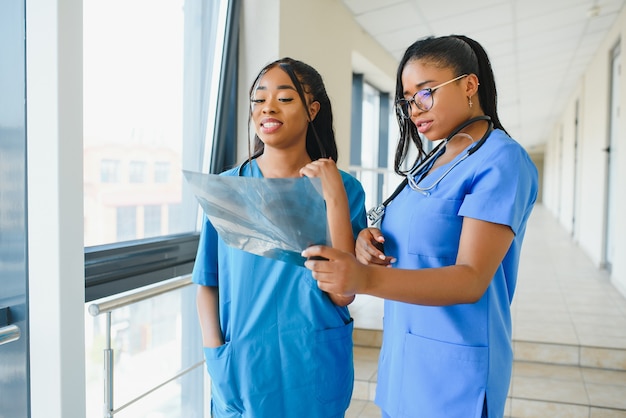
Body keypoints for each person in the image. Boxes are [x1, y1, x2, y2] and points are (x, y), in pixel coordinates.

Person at [302, 35, 538, 418]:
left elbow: (471, 278)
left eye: (425, 93)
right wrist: (368, 241)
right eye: (407, 99)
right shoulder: (434, 159)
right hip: (406, 355)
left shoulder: (501, 161)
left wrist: (363, 279)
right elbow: (412, 238)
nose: (414, 109)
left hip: (456, 367)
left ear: (468, 85)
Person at [192, 57, 367, 417]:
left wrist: (332, 195)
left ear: (312, 110)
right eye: (259, 99)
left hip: (312, 361)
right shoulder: (228, 189)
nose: (268, 107)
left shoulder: (345, 188)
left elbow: (343, 293)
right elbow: (207, 283)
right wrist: (215, 354)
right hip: (242, 367)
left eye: (285, 98)